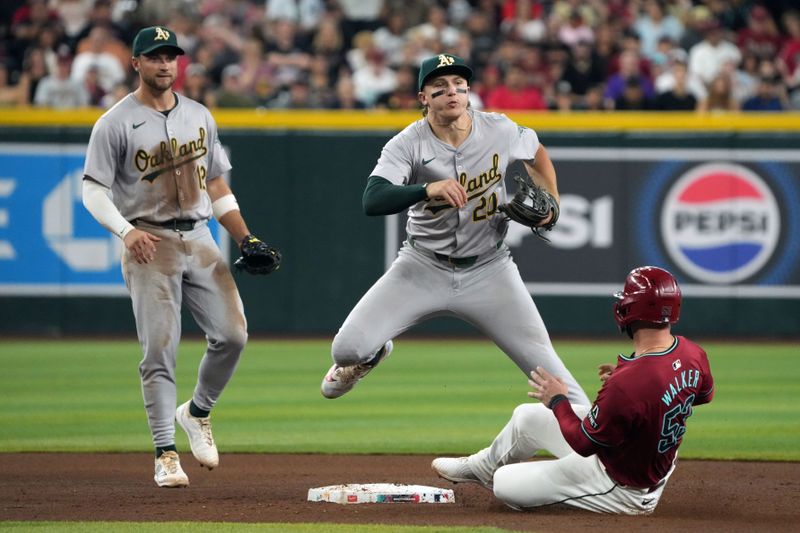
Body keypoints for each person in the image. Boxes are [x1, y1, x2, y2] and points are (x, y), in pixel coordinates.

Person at [319, 54, 590, 413]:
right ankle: (373, 354)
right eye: (441, 87)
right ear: (423, 98)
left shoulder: (499, 128)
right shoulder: (407, 143)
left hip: (490, 270)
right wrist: (424, 189)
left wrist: (553, 202)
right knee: (345, 350)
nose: (453, 92)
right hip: (422, 267)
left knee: (555, 377)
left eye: (459, 86)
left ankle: (594, 450)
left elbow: (535, 151)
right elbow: (373, 198)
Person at [82, 26, 279, 488]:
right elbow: (93, 190)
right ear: (136, 64)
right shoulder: (114, 122)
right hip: (149, 242)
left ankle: (198, 411)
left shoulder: (199, 115)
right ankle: (164, 452)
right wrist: (126, 231)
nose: (165, 64)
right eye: (154, 57)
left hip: (201, 235)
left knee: (233, 335)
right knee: (159, 349)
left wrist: (246, 238)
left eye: (170, 56)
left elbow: (216, 185)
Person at [432, 266, 714, 516]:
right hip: (636, 455)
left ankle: (595, 499)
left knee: (505, 484)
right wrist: (640, 392)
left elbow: (582, 442)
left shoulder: (630, 383)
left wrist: (557, 400)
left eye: (626, 299)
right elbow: (701, 395)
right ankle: (481, 469)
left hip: (621, 485)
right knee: (526, 418)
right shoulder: (692, 353)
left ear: (632, 310)